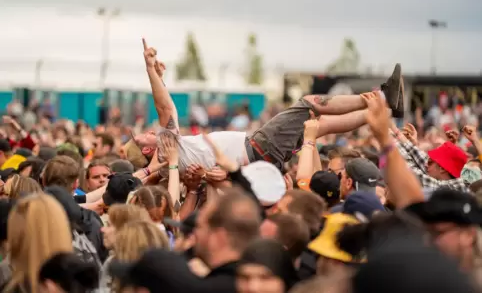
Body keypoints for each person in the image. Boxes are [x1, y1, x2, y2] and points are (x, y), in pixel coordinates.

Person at [130, 39, 404, 175]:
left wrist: (160, 78)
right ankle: (381, 97)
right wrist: (150, 70)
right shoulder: (167, 148)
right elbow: (165, 109)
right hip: (257, 147)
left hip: (259, 155)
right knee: (308, 103)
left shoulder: (168, 160)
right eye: (137, 136)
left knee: (319, 127)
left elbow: (165, 108)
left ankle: (381, 110)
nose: (143, 131)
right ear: (145, 148)